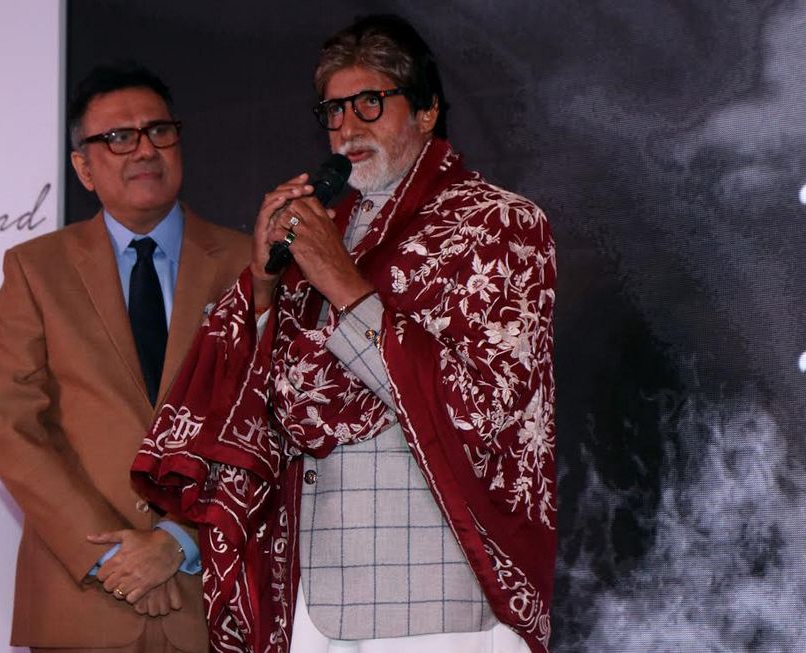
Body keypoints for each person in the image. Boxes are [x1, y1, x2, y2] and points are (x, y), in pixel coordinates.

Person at [131, 14, 556, 653]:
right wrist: (263, 284)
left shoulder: (501, 225)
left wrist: (339, 279)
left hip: (434, 595)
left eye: (369, 103)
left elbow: (483, 407)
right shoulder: (321, 229)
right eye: (333, 110)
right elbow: (264, 396)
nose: (348, 127)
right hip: (309, 595)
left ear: (426, 111)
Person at [0, 63, 250, 653]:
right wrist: (116, 556)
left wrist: (178, 541)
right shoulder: (35, 270)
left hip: (214, 600)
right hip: (83, 602)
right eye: (119, 137)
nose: (145, 150)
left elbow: (269, 425)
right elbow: (13, 430)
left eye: (159, 131)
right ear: (83, 167)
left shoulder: (249, 264)